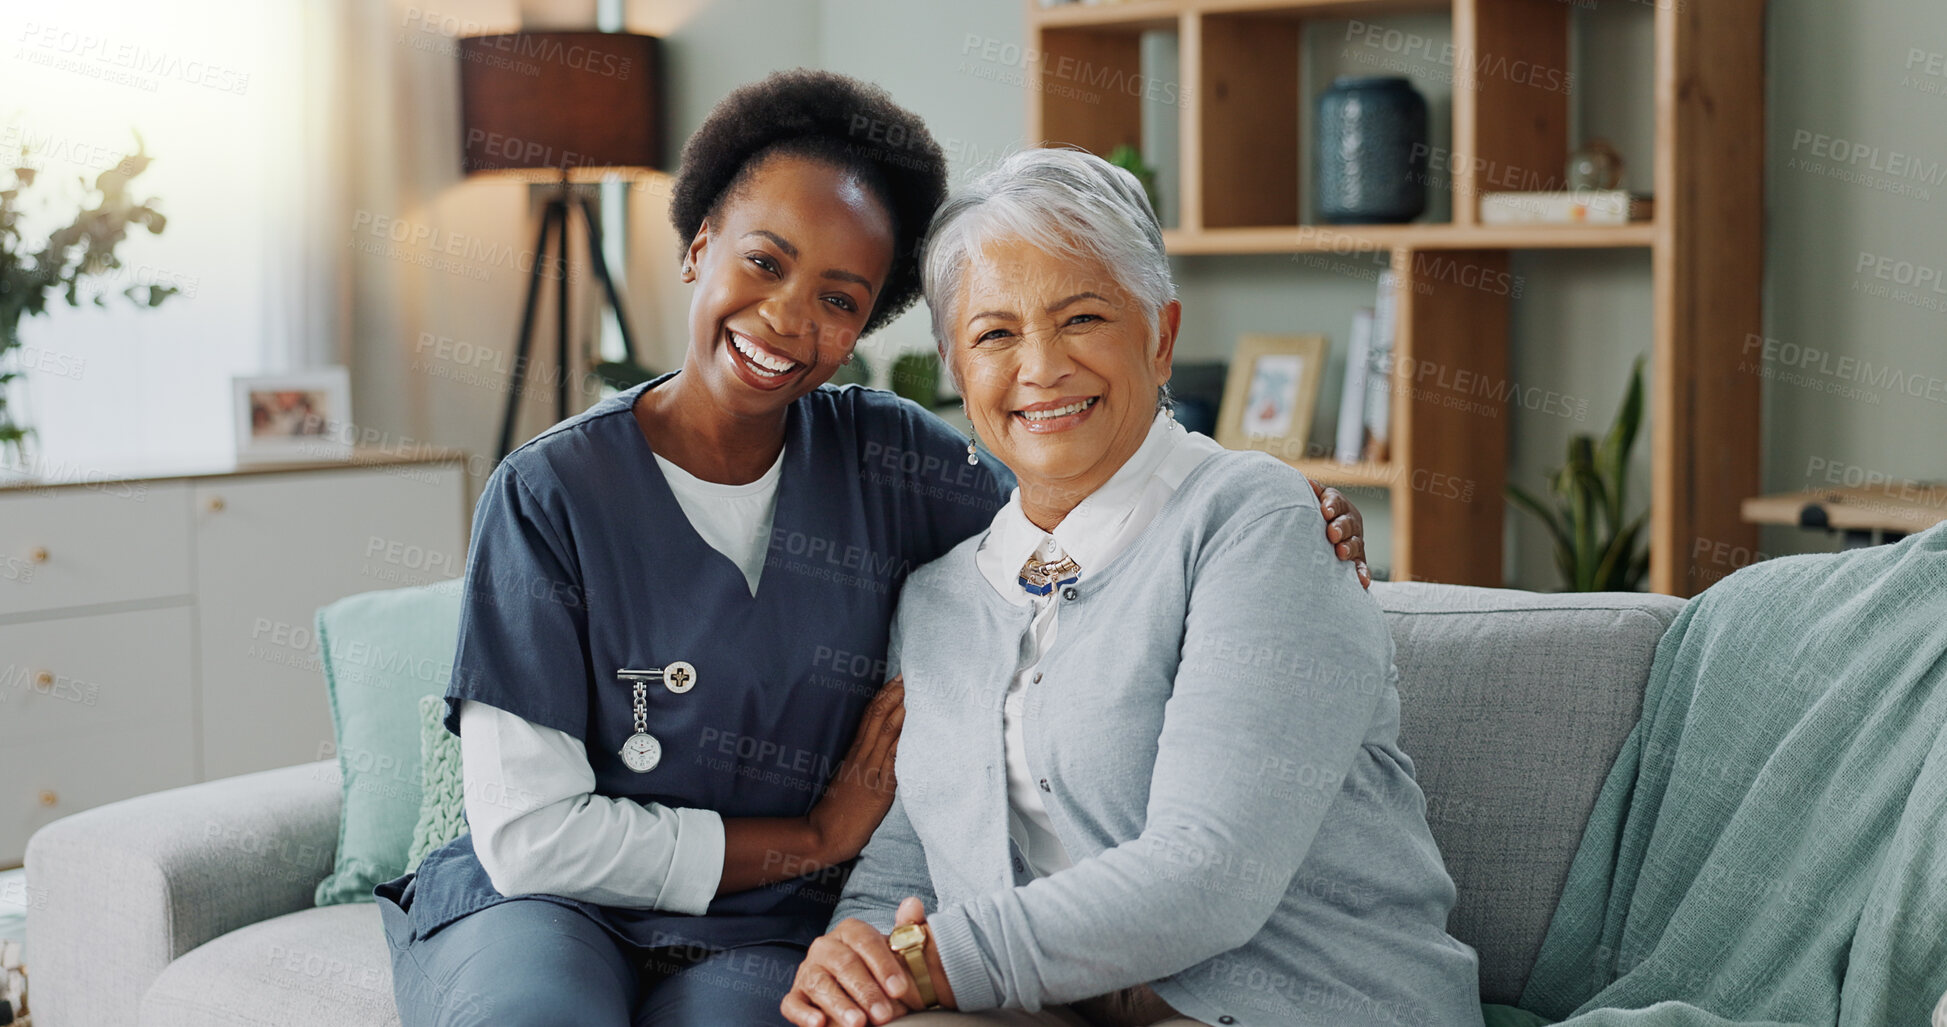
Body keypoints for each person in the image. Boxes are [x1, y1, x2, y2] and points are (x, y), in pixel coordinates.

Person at [376, 74, 1371, 1027]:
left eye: (840, 298)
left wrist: (1291, 508)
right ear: (699, 243)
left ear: (862, 328)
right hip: (545, 901)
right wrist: (811, 840)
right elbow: (528, 833)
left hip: (758, 929)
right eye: (764, 262)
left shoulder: (896, 465)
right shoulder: (550, 493)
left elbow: (1080, 499)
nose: (787, 316)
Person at [784, 149, 1481, 1027]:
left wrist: (930, 964)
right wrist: (859, 955)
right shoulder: (938, 598)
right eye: (994, 334)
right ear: (958, 374)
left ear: (1160, 335)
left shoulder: (1253, 522)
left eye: (1080, 317)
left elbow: (1209, 871)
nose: (1039, 366)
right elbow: (907, 870)